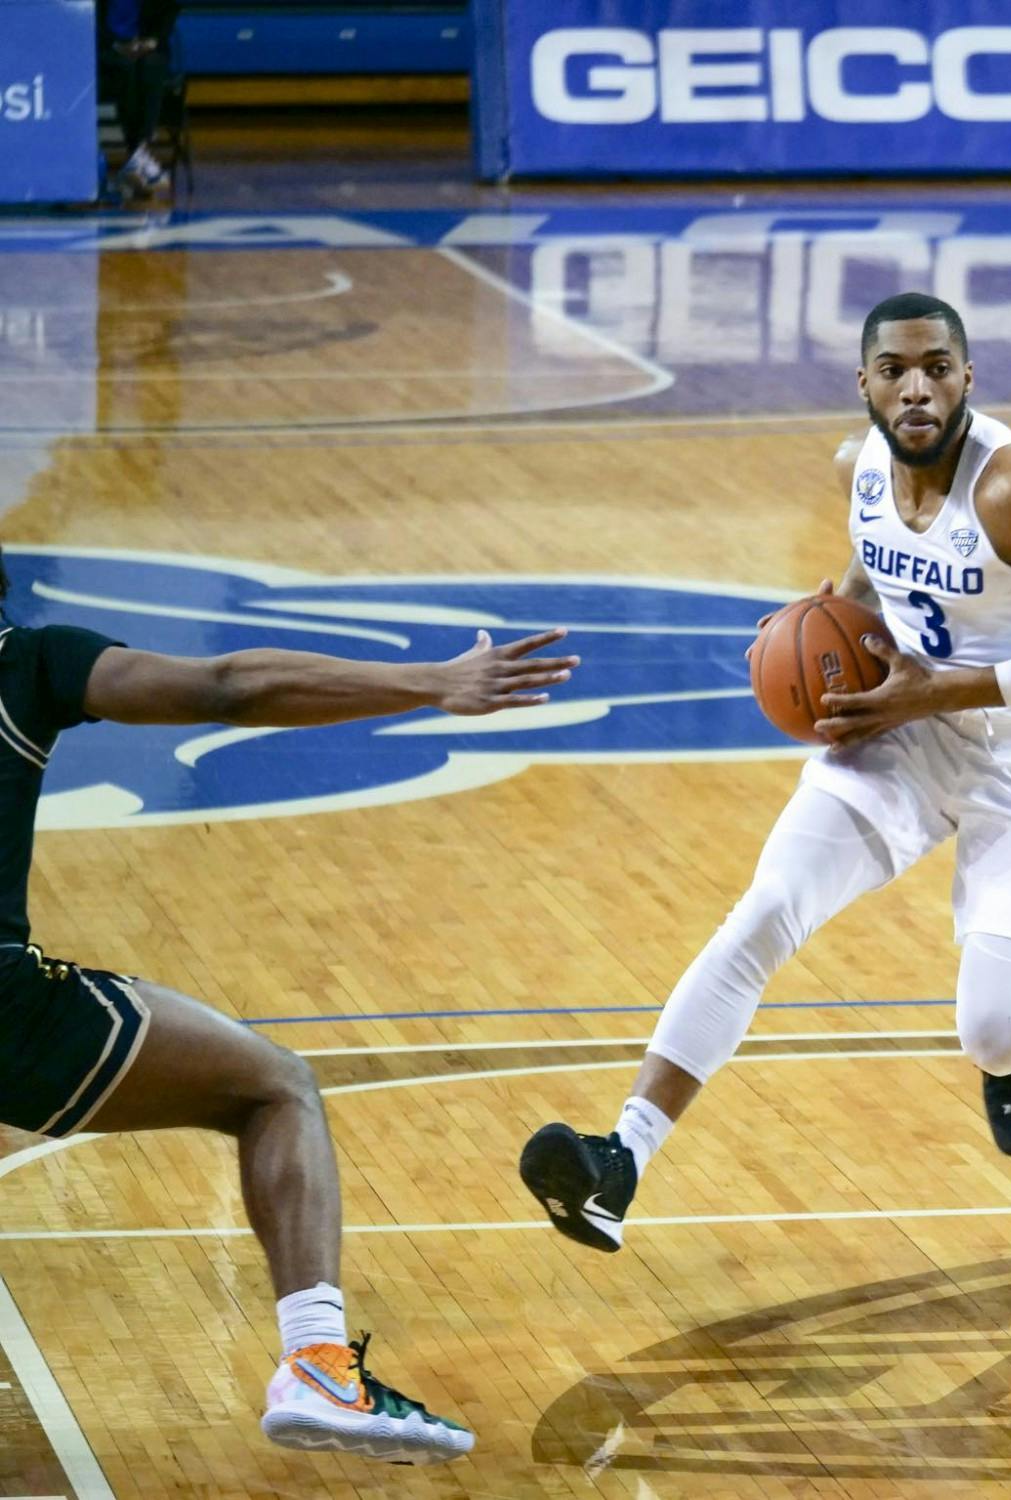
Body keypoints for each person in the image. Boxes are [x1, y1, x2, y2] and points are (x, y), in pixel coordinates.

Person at [519, 290, 1011, 1252]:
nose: (916, 388)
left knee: (990, 1030)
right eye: (894, 370)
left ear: (968, 378)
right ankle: (622, 1160)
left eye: (937, 367)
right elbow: (873, 575)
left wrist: (936, 691)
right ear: (864, 384)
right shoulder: (860, 468)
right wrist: (817, 629)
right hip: (900, 730)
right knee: (767, 909)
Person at [0, 552, 578, 1463]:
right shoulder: (27, 662)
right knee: (275, 1088)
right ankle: (316, 1363)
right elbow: (230, 685)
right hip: (8, 1014)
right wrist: (434, 681)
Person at [97, 0, 180, 195]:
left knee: (152, 66)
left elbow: (168, 13)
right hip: (107, 50)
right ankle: (138, 155)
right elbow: (91, 22)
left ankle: (139, 150)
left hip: (147, 47)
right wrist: (115, 44)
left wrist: (151, 42)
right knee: (126, 69)